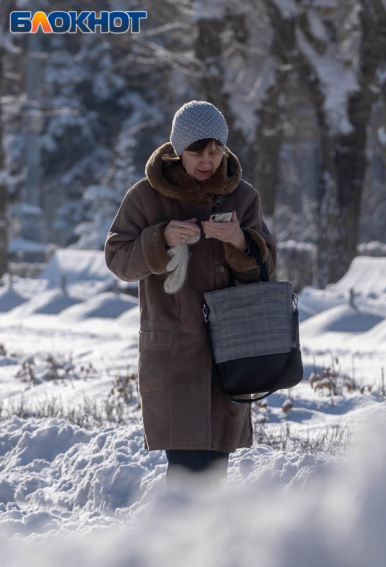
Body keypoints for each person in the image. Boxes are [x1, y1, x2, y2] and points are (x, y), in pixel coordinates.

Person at [104, 100, 276, 486]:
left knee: (216, 469)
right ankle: (176, 544)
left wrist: (240, 241)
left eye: (216, 151)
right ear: (179, 149)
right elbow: (117, 259)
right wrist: (159, 239)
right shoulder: (145, 197)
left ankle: (208, 545)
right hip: (173, 351)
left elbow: (266, 267)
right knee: (184, 471)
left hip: (230, 353)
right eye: (198, 151)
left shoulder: (242, 197)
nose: (207, 161)